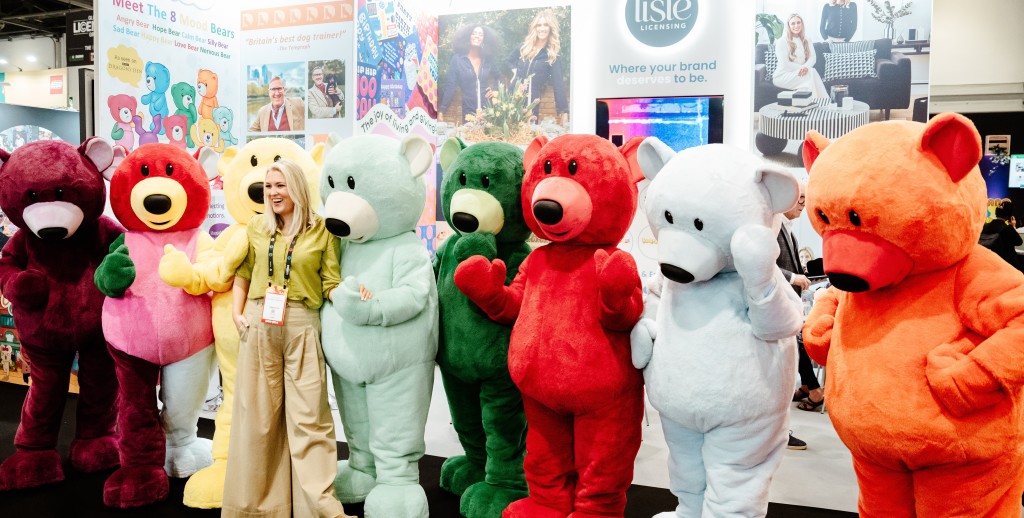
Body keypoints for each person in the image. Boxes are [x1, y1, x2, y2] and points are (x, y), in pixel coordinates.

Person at [221, 159, 351, 518]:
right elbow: (243, 273)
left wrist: (353, 297)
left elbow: (330, 282)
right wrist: (237, 311)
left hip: (302, 324)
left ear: (296, 187)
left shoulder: (323, 230)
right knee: (258, 420)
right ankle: (259, 509)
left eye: (280, 185)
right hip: (258, 322)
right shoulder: (256, 227)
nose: (273, 193)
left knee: (310, 420)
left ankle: (320, 509)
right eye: (268, 186)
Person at [508, 9, 569, 126]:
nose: (542, 28)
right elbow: (509, 61)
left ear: (551, 28)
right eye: (539, 25)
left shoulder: (552, 54)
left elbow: (558, 84)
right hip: (512, 98)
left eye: (546, 25)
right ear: (534, 28)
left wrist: (564, 111)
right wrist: (515, 72)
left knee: (527, 134)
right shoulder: (524, 47)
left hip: (532, 101)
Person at [438, 25, 502, 123]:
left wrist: (495, 90)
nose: (477, 36)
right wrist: (442, 110)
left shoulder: (488, 59)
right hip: (469, 109)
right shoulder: (457, 59)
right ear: (468, 36)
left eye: (481, 34)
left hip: (488, 108)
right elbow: (450, 85)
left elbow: (499, 77)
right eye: (474, 33)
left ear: (484, 39)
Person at [773, 14, 829, 99]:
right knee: (811, 73)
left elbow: (813, 57)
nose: (796, 25)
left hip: (800, 73)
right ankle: (824, 103)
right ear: (788, 25)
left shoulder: (807, 39)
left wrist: (805, 68)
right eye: (793, 23)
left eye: (798, 22)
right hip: (782, 76)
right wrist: (803, 68)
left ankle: (812, 106)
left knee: (808, 83)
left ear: (802, 24)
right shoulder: (781, 41)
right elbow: (784, 64)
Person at [980, 199, 1023, 271]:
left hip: (987, 262)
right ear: (1010, 215)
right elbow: (1019, 242)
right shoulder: (1007, 229)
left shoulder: (985, 226)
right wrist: (1013, 226)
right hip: (1006, 265)